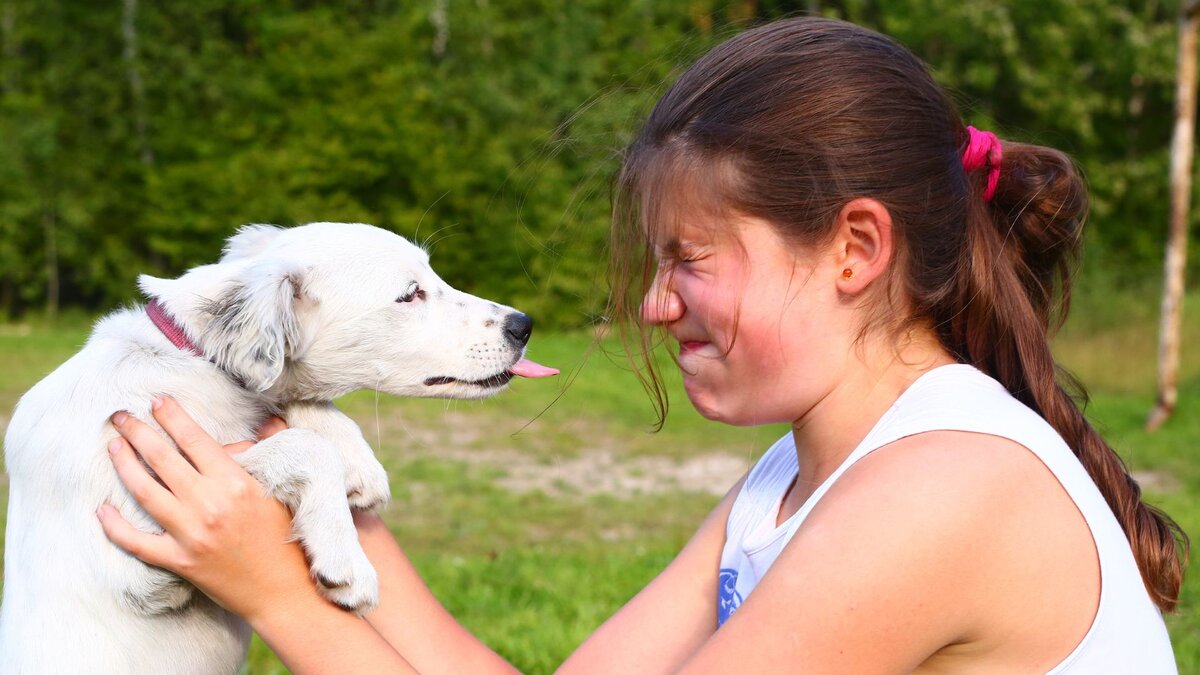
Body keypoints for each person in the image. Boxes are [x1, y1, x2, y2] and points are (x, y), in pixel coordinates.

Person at [96, 16, 1185, 673]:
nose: (657, 307)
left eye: (691, 260)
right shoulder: (794, 485)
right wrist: (298, 477)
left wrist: (279, 599)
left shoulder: (945, 488)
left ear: (855, 249)